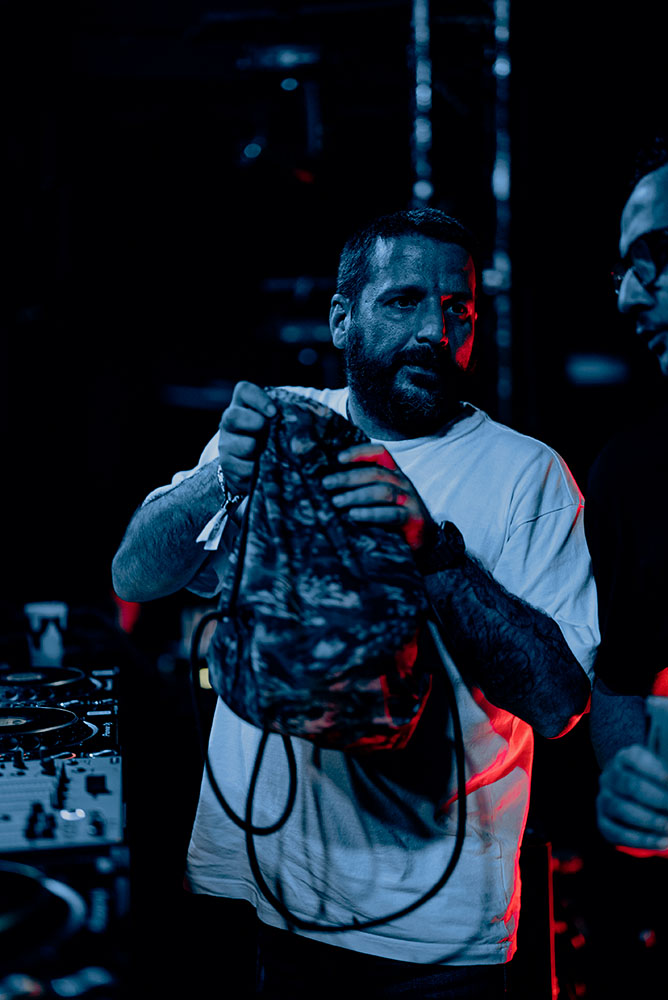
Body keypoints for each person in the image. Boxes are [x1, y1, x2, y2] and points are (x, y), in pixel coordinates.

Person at [112, 208, 598, 998]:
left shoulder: (528, 475)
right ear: (343, 319)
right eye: (404, 301)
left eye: (459, 309)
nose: (435, 330)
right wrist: (218, 477)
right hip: (262, 894)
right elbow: (135, 575)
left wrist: (433, 552)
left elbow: (559, 704)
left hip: (432, 937)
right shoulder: (282, 426)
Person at [586, 138, 668, 855]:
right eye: (626, 270)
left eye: (657, 256)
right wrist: (626, 781)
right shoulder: (633, 473)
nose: (630, 297)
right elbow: (620, 680)